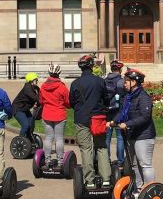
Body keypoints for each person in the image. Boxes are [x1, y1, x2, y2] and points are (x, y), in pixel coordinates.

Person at [111, 69, 155, 197]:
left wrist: (128, 124)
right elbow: (122, 113)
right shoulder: (128, 97)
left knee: (145, 164)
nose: (124, 84)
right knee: (134, 164)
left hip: (144, 136)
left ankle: (150, 191)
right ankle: (140, 190)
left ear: (134, 82)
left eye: (126, 81)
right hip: (132, 135)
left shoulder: (144, 97)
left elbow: (145, 116)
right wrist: (113, 121)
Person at [69, 54, 111, 189]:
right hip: (97, 118)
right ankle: (106, 179)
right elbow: (106, 99)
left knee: (86, 149)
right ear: (92, 66)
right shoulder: (99, 81)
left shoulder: (75, 83)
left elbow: (71, 102)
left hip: (82, 119)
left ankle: (90, 180)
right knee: (101, 147)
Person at [39, 63, 70, 166]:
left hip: (47, 114)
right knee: (59, 138)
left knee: (48, 138)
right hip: (59, 115)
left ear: (49, 73)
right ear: (59, 73)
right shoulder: (62, 87)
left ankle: (47, 160)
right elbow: (68, 102)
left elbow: (41, 101)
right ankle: (60, 160)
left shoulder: (43, 86)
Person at [104, 59, 127, 165]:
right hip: (118, 112)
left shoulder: (104, 80)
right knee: (120, 138)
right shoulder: (121, 82)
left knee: (107, 138)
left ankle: (106, 160)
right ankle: (120, 161)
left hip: (107, 112)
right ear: (120, 69)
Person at [12, 72, 40, 142]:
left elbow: (40, 96)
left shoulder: (35, 88)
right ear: (31, 80)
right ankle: (20, 141)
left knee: (31, 125)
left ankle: (28, 140)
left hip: (25, 109)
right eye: (36, 80)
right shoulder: (27, 88)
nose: (37, 81)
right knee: (25, 125)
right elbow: (35, 97)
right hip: (18, 108)